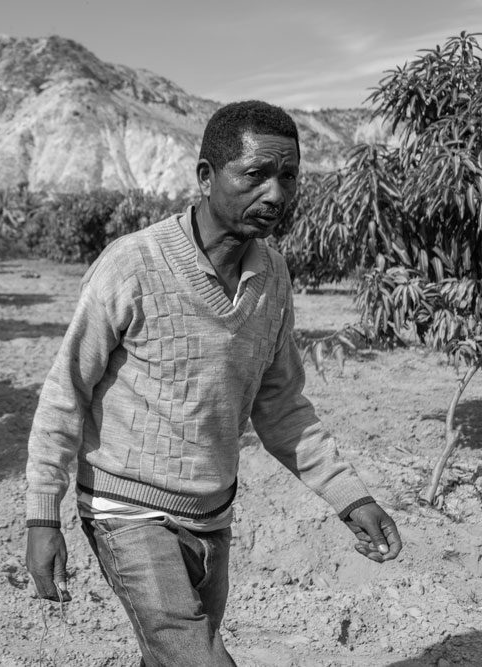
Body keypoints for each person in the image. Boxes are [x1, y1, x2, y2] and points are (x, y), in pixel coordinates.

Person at [24, 100, 402, 666]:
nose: (276, 193)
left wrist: (351, 497)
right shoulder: (133, 265)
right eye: (256, 175)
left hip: (212, 515)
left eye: (289, 176)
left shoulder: (273, 277)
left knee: (170, 658)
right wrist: (42, 515)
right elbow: (65, 394)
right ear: (206, 176)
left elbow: (282, 406)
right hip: (125, 510)